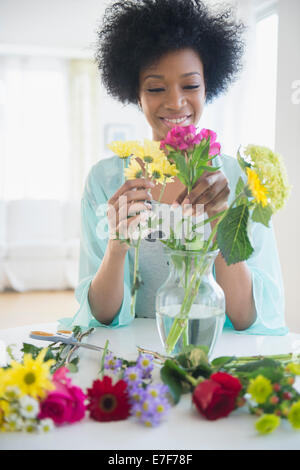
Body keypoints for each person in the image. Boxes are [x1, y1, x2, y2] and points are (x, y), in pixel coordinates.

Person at [59, 0, 287, 335]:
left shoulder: (239, 179)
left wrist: (222, 224)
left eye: (191, 85)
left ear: (209, 86)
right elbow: (103, 316)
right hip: (132, 360)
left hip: (214, 353)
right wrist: (117, 245)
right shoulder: (105, 180)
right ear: (135, 94)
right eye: (155, 88)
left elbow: (246, 316)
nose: (176, 102)